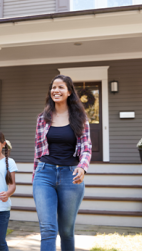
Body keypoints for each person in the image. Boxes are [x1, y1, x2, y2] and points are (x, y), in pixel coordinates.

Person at [33, 74, 92, 251]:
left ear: (69, 91)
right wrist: (35, 176)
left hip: (70, 176)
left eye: (60, 87)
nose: (56, 90)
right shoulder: (42, 118)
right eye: (53, 87)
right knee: (48, 229)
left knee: (66, 231)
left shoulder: (80, 118)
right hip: (45, 174)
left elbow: (86, 147)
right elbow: (37, 151)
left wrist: (82, 167)